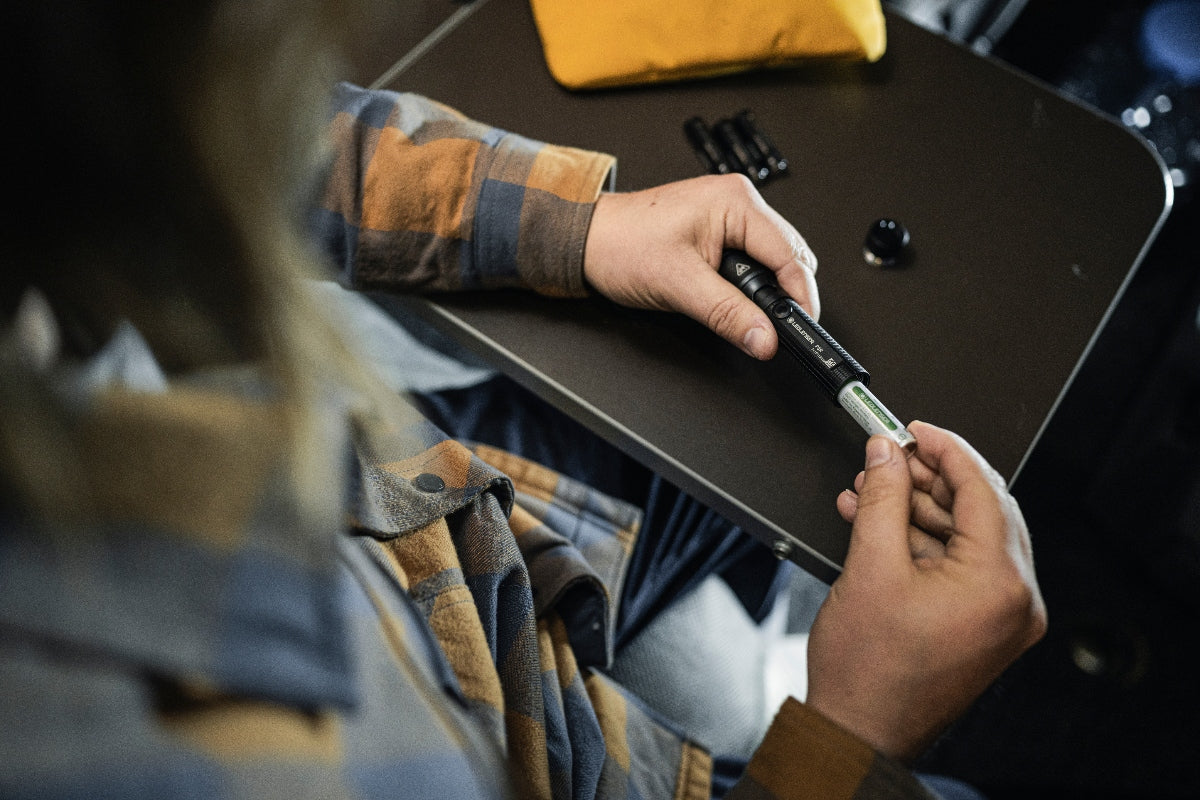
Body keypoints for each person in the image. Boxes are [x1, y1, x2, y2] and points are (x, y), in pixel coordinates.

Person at [0, 2, 1047, 799]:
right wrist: (856, 738)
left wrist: (580, 225)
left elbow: (206, 129)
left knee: (758, 426)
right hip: (549, 742)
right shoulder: (241, 761)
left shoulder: (77, 146)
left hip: (439, 523)